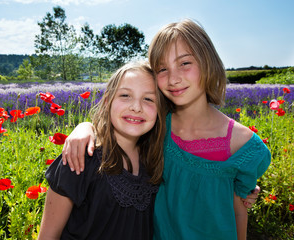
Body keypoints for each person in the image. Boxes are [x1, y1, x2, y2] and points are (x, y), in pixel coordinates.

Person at [60, 19, 271, 240]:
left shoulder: (243, 145)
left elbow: (239, 212)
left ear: (208, 62)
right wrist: (86, 127)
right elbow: (119, 128)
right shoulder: (157, 126)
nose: (173, 78)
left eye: (185, 63)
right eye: (162, 69)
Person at [38, 61, 167, 239]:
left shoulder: (156, 160)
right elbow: (48, 237)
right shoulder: (81, 157)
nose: (136, 107)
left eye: (148, 99)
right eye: (125, 95)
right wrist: (86, 125)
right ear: (107, 102)